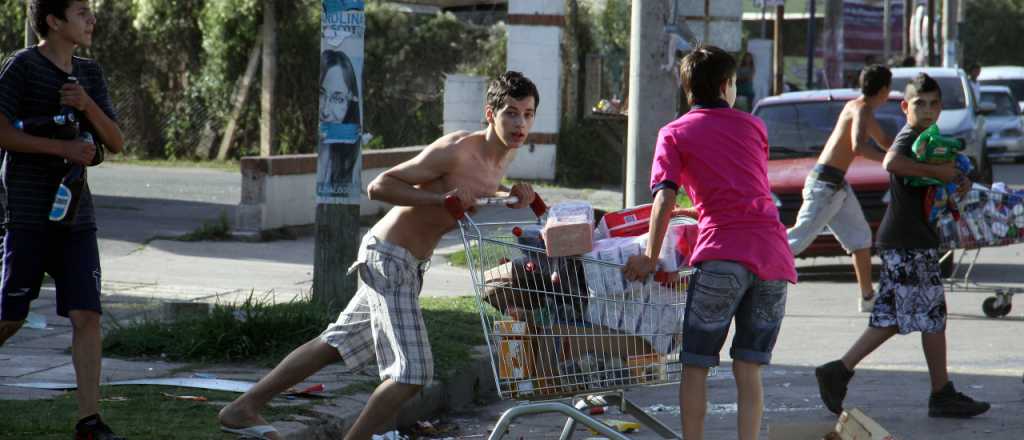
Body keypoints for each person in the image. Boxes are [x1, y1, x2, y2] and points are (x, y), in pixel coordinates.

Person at [218, 71, 539, 440]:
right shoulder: (458, 149)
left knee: (336, 343)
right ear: (490, 114)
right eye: (511, 113)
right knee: (412, 373)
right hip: (389, 257)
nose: (520, 123)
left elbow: (474, 189)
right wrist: (440, 200)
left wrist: (508, 195)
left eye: (528, 114)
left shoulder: (502, 158)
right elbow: (379, 185)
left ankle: (242, 408)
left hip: (407, 263)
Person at [623, 45, 797, 440]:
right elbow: (744, 186)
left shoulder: (674, 133)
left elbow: (665, 198)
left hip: (723, 254)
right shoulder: (754, 127)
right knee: (748, 367)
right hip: (773, 254)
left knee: (696, 364)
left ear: (688, 90)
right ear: (726, 85)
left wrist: (650, 256)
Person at [814, 73, 990, 419]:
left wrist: (957, 177)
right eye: (920, 104)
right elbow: (891, 163)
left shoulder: (929, 140)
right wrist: (940, 174)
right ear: (905, 107)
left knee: (898, 317)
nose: (927, 110)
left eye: (934, 104)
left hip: (909, 240)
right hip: (907, 242)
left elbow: (936, 174)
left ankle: (840, 371)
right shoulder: (909, 136)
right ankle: (939, 393)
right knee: (929, 316)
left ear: (941, 107)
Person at [0, 1, 125, 439]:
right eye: (81, 12)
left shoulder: (89, 73)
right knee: (9, 318)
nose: (92, 19)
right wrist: (62, 148)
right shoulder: (21, 67)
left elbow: (116, 140)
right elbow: (2, 132)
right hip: (26, 214)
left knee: (87, 314)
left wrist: (86, 105)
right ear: (54, 21)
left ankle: (89, 422)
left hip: (76, 217)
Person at [787, 65, 894, 313]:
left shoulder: (860, 108)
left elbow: (885, 141)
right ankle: (749, 269)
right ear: (884, 90)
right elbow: (858, 146)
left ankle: (868, 298)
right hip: (824, 185)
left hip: (838, 185)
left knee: (861, 238)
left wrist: (909, 152)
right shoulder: (861, 108)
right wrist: (890, 162)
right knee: (796, 241)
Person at [317, 49, 362, 199]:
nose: (325, 111)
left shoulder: (353, 156)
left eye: (338, 99)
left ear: (350, 102)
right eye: (321, 94)